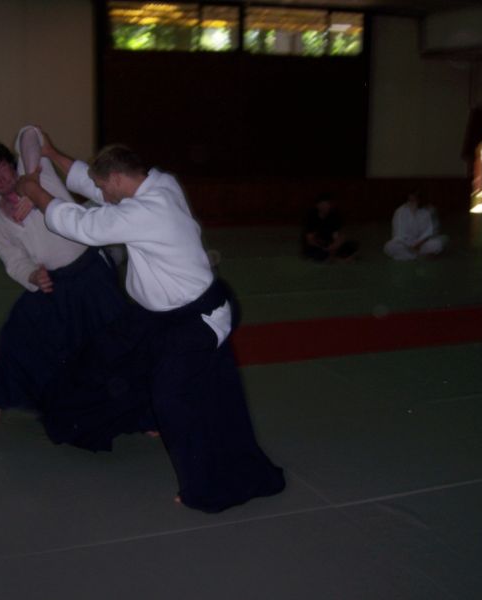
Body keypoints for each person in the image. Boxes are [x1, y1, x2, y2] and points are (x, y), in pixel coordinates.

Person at [16, 133, 285, 513]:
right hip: (154, 315)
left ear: (117, 179)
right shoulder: (157, 183)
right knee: (103, 356)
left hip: (196, 319)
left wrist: (34, 190)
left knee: (172, 396)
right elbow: (95, 189)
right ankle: (95, 419)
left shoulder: (147, 211)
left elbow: (83, 225)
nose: (99, 192)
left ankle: (206, 486)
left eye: (102, 186)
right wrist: (50, 153)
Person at [0, 126, 127, 423]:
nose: (0, 178)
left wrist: (32, 184)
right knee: (17, 332)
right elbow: (13, 260)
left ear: (12, 163)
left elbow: (30, 133)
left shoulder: (39, 174)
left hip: (90, 271)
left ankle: (146, 412)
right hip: (52, 283)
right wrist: (32, 276)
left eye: (1, 167)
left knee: (116, 338)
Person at [384, 191, 447, 260]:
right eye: (410, 200)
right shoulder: (400, 212)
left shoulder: (425, 212)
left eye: (415, 200)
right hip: (405, 244)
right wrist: (409, 246)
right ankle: (419, 256)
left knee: (438, 243)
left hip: (420, 244)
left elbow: (428, 232)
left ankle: (408, 256)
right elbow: (398, 235)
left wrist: (418, 244)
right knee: (390, 246)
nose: (412, 202)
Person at [301, 194, 359, 262]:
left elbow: (338, 235)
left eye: (327, 204)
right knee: (316, 253)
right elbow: (310, 239)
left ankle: (335, 257)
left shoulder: (334, 217)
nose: (325, 207)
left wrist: (334, 246)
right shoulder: (312, 217)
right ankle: (339, 259)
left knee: (352, 245)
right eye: (323, 204)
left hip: (330, 243)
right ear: (317, 205)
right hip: (317, 245)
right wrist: (323, 247)